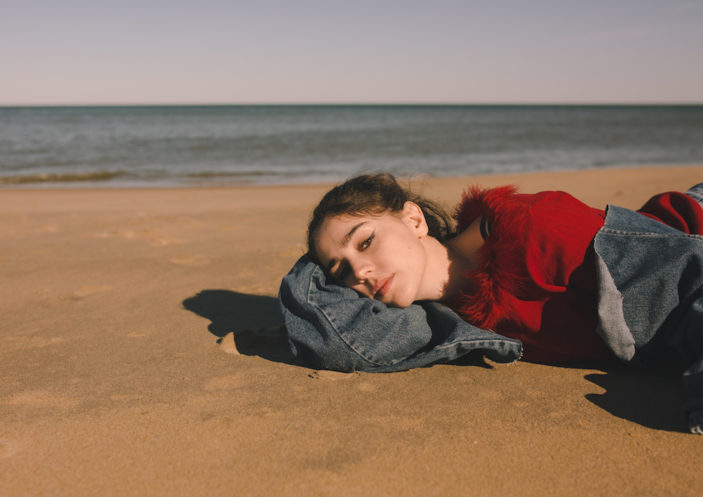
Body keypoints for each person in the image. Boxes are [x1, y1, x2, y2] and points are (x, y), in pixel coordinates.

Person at [279, 173, 703, 433]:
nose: (360, 273)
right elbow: (334, 335)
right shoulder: (438, 317)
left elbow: (685, 275)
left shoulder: (533, 230)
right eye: (340, 271)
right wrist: (319, 261)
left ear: (413, 219)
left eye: (365, 242)